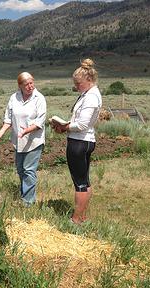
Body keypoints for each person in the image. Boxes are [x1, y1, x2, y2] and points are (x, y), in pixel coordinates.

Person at [51, 58, 102, 224]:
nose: (76, 87)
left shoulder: (91, 97)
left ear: (89, 80)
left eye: (78, 83)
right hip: (84, 140)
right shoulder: (88, 94)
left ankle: (76, 219)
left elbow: (81, 124)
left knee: (79, 182)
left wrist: (64, 127)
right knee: (84, 180)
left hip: (79, 143)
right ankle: (82, 215)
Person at [0, 72, 46, 207]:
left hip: (33, 141)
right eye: (26, 84)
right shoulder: (14, 98)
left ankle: (28, 202)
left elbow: (40, 122)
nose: (30, 86)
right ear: (20, 85)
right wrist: (1, 132)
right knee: (21, 169)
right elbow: (8, 119)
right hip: (18, 141)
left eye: (31, 83)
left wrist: (26, 131)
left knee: (29, 170)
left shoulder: (39, 98)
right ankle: (26, 195)